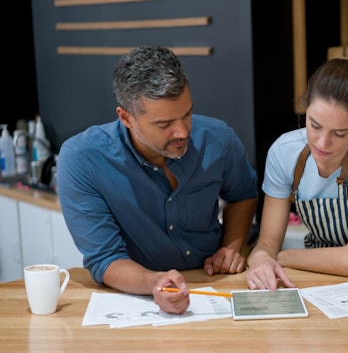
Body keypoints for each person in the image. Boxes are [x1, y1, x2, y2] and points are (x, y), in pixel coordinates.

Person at [57, 45, 258, 314]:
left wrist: (231, 247)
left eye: (187, 114)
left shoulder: (219, 139)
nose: (183, 132)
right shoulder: (82, 159)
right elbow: (105, 259)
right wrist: (154, 283)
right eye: (164, 125)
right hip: (136, 296)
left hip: (215, 284)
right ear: (126, 117)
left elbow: (243, 193)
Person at [246, 58, 348, 291]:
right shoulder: (283, 151)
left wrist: (281, 257)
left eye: (340, 133)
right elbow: (266, 243)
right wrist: (261, 258)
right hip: (313, 278)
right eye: (314, 125)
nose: (322, 143)